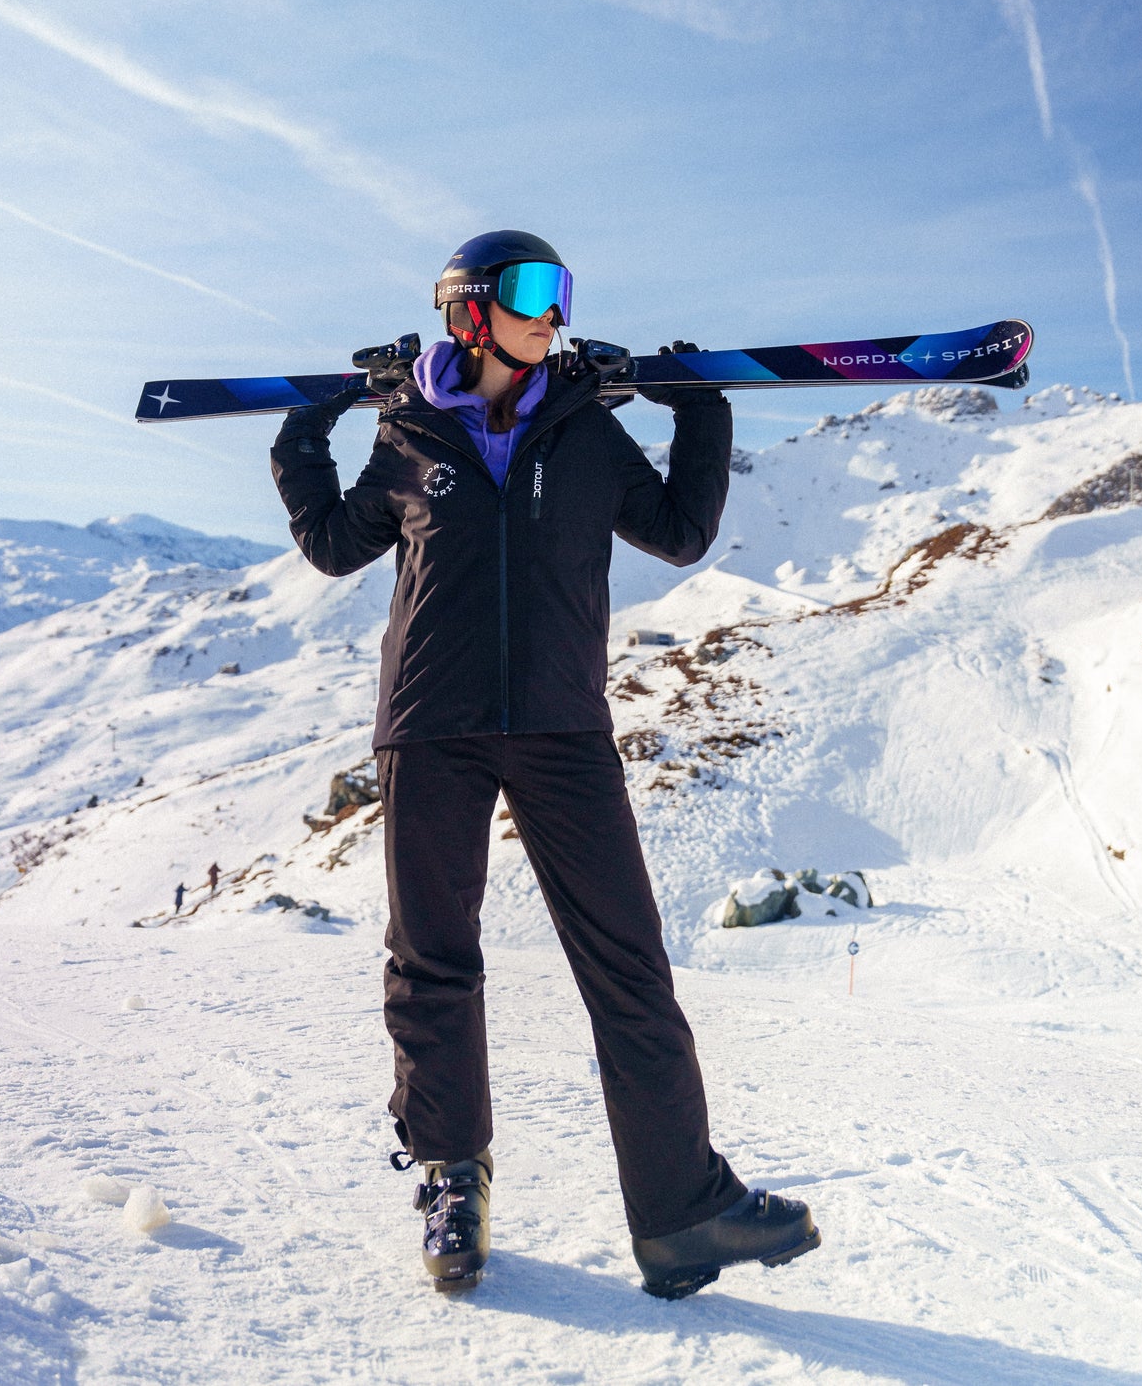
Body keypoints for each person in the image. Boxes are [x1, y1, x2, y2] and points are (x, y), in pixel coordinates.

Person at [271, 230, 819, 1298]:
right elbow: (337, 545)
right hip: (431, 720)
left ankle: (680, 1212)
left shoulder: (580, 429)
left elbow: (677, 530)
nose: (552, 311)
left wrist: (698, 405)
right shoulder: (405, 434)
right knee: (431, 958)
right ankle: (450, 1181)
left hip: (562, 726)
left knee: (628, 965)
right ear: (469, 310)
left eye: (562, 293)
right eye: (531, 291)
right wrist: (306, 433)